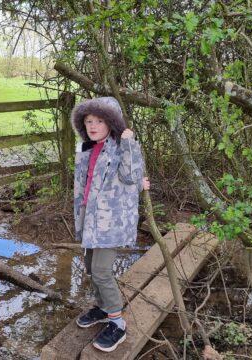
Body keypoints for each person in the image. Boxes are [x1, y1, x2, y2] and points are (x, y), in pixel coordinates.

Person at [71, 96, 150, 352]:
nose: (93, 126)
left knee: (102, 270)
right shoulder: (88, 148)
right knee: (91, 268)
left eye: (100, 121)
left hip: (110, 224)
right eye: (88, 121)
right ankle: (103, 308)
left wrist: (129, 143)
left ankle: (118, 324)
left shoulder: (118, 147)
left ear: (112, 123)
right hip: (90, 221)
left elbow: (129, 175)